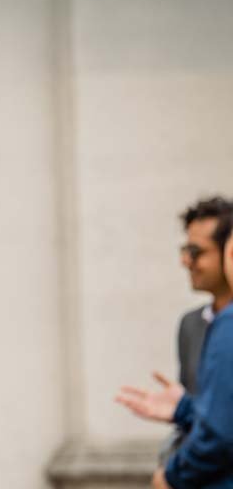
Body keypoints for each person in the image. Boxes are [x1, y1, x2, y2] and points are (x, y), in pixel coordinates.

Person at [116, 197, 233, 488]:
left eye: (196, 251)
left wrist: (170, 476)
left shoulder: (229, 325)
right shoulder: (191, 325)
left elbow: (219, 433)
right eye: (185, 250)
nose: (186, 261)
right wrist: (183, 409)